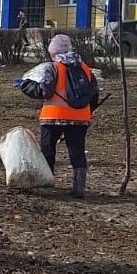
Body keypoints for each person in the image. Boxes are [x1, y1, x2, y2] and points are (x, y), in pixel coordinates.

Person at [31, 34, 99, 198]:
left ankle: (46, 184)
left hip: (53, 116)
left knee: (48, 150)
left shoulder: (53, 67)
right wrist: (87, 111)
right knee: (77, 151)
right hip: (80, 119)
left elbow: (45, 91)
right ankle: (79, 188)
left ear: (53, 51)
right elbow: (94, 94)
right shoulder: (85, 68)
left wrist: (28, 87)